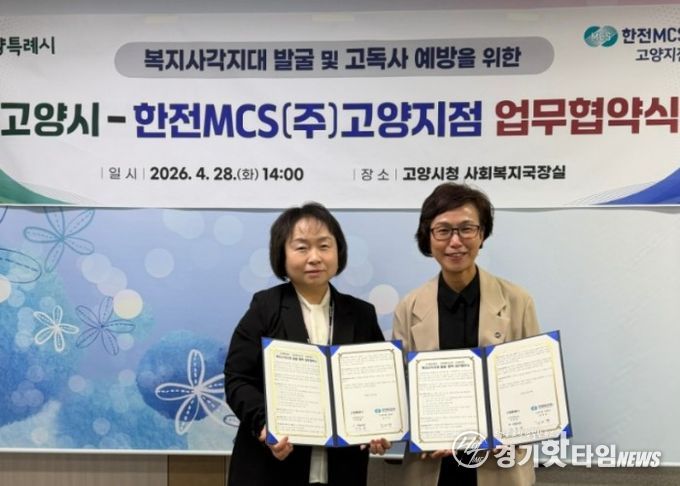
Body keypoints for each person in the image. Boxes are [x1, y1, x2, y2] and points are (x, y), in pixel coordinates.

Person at [224, 202, 390, 486]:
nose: (315, 257)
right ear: (282, 255)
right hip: (272, 468)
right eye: (302, 248)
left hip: (343, 468)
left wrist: (380, 426)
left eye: (324, 246)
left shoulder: (361, 314)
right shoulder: (265, 307)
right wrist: (265, 425)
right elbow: (238, 378)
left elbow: (378, 384)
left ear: (338, 251)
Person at [392, 183, 539, 486]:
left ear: (482, 234)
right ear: (428, 237)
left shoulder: (517, 301)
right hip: (431, 464)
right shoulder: (409, 307)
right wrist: (420, 429)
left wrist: (512, 430)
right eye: (443, 230)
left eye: (466, 229)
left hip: (498, 463)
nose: (455, 241)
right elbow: (400, 390)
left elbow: (532, 385)